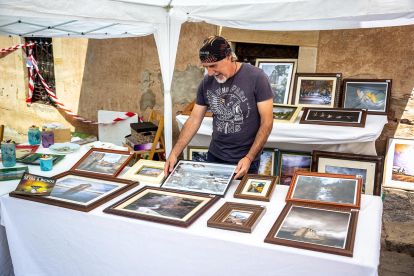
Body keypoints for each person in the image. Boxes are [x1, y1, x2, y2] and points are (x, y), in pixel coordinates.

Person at [164, 36, 274, 179]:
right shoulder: (207, 82)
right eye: (206, 67)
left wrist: (249, 157)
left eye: (214, 66)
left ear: (229, 57)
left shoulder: (257, 77)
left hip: (245, 160)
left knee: (240, 201)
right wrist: (174, 153)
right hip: (215, 156)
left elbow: (267, 122)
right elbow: (194, 120)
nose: (210, 73)